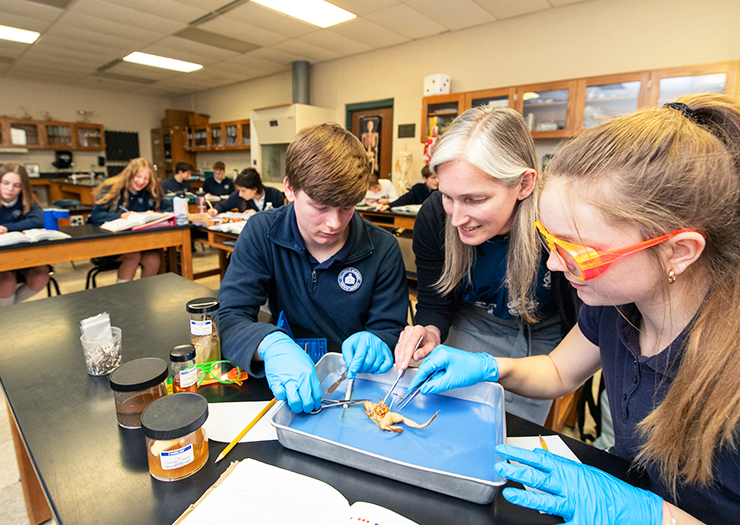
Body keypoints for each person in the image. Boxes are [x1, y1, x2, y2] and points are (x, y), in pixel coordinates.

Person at [406, 94, 740, 524]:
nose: (552, 264)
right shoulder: (616, 305)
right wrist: (493, 367)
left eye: (577, 251)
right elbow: (561, 371)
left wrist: (649, 515)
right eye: (551, 239)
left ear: (678, 251)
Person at [394, 105, 580, 424]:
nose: (457, 218)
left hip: (544, 330)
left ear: (524, 184)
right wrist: (429, 330)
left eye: (475, 200)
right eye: (448, 196)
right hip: (473, 320)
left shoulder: (561, 224)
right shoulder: (435, 216)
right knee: (446, 414)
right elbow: (435, 302)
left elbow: (580, 336)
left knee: (511, 426)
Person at [218, 123, 408, 414]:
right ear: (290, 188)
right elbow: (231, 317)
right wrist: (269, 345)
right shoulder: (262, 232)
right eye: (321, 207)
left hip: (359, 387)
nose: (334, 223)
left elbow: (391, 329)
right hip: (289, 374)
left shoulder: (382, 249)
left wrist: (379, 341)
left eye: (347, 207)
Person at [88, 157, 170, 282]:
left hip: (139, 243)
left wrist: (155, 214)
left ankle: (146, 294)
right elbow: (95, 215)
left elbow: (169, 207)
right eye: (138, 176)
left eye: (146, 179)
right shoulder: (111, 188)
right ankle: (123, 296)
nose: (141, 181)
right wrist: (120, 216)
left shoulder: (150, 191)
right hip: (110, 244)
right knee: (133, 255)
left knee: (153, 259)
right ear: (129, 175)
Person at [0, 163, 49, 306]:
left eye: (17, 185)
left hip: (25, 255)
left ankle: (9, 309)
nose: (10, 189)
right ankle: (7, 315)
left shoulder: (27, 201)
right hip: (2, 258)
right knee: (5, 283)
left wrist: (6, 228)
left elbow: (38, 221)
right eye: (6, 183)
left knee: (40, 276)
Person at [207, 168, 284, 217]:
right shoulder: (238, 195)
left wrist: (257, 215)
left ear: (254, 189)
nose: (240, 194)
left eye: (243, 191)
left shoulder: (275, 195)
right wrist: (215, 210)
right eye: (239, 190)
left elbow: (281, 218)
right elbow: (223, 205)